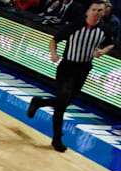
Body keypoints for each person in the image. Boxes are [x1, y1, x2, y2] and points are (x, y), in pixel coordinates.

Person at [27, 1, 115, 152]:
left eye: (100, 10)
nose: (96, 13)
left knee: (67, 101)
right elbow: (54, 40)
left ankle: (39, 102)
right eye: (94, 10)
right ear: (87, 11)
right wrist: (53, 54)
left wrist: (102, 51)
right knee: (62, 102)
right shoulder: (75, 26)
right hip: (67, 67)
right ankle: (57, 139)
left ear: (103, 12)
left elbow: (110, 44)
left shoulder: (105, 30)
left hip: (84, 68)